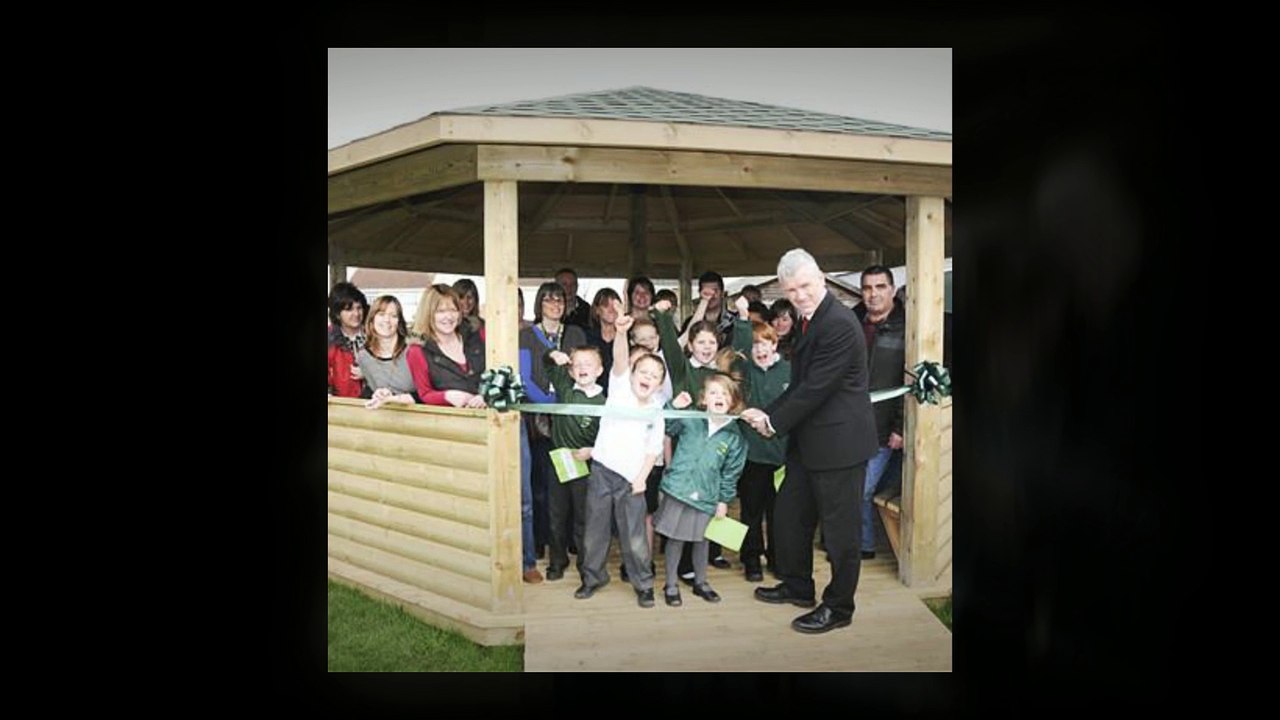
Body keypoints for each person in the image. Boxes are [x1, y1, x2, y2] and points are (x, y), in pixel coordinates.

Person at [741, 248, 878, 634]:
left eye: (804, 285)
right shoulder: (808, 320)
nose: (799, 295)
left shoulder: (837, 323)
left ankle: (838, 607)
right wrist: (767, 412)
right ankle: (799, 585)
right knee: (789, 516)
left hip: (839, 447)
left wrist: (773, 423)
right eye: (791, 289)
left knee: (840, 533)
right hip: (808, 443)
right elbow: (800, 385)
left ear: (821, 277)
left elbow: (816, 388)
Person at [576, 302, 664, 608]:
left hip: (632, 481)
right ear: (633, 373)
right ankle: (592, 577)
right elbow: (620, 359)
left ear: (659, 384)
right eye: (643, 371)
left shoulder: (657, 410)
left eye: (655, 375)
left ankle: (643, 584)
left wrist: (641, 478)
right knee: (594, 532)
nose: (647, 377)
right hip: (602, 472)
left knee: (636, 537)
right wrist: (622, 333)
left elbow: (654, 449)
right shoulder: (619, 389)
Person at [655, 376, 748, 606]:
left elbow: (730, 473)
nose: (719, 398)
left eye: (725, 394)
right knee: (675, 540)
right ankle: (670, 584)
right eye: (714, 393)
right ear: (704, 399)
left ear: (733, 402)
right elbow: (667, 425)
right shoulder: (691, 420)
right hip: (678, 490)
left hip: (707, 496)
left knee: (701, 541)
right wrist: (673, 407)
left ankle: (701, 582)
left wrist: (724, 500)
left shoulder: (735, 437)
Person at [520, 282, 588, 565]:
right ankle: (538, 541)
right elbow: (524, 378)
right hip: (538, 420)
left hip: (570, 420)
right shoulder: (526, 336)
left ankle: (570, 540)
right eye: (548, 299)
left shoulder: (574, 333)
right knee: (539, 485)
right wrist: (548, 404)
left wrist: (565, 402)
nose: (554, 304)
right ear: (539, 304)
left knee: (571, 481)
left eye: (559, 299)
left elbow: (584, 369)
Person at [730, 296, 791, 582]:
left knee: (779, 514)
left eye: (764, 343)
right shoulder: (746, 373)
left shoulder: (790, 371)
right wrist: (743, 316)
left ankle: (777, 558)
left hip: (781, 457)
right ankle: (751, 558)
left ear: (774, 344)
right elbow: (740, 349)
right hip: (753, 457)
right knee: (751, 511)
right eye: (755, 345)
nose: (759, 349)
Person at [853, 265, 907, 560]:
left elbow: (909, 380)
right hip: (848, 422)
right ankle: (854, 541)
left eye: (880, 287)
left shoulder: (909, 327)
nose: (873, 294)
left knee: (863, 488)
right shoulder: (851, 323)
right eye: (867, 288)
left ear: (893, 290)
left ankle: (864, 544)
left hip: (884, 427)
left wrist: (901, 426)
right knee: (849, 485)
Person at [543, 346, 607, 582]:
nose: (582, 368)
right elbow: (548, 363)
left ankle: (584, 563)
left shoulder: (605, 402)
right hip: (559, 464)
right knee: (556, 515)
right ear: (569, 371)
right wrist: (553, 354)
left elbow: (611, 437)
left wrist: (593, 451)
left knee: (583, 517)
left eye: (588, 364)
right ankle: (557, 561)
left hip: (585, 468)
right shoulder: (565, 389)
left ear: (599, 370)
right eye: (576, 364)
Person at [404, 286, 487, 408]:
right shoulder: (417, 351)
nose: (449, 316)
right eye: (441, 311)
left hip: (494, 418)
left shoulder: (478, 333)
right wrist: (449, 396)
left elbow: (501, 370)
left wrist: (487, 395)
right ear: (428, 314)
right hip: (453, 421)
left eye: (453, 310)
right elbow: (425, 393)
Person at [359, 295, 420, 409]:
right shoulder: (364, 356)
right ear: (372, 319)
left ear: (399, 322)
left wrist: (400, 398)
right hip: (386, 419)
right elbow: (372, 390)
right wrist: (378, 394)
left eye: (393, 316)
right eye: (381, 314)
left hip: (418, 416)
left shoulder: (413, 350)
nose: (387, 320)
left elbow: (429, 393)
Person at [327, 282, 368, 398]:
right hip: (341, 406)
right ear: (337, 314)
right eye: (349, 309)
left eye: (359, 308)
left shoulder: (375, 335)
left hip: (376, 403)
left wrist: (369, 374)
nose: (356, 314)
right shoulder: (329, 340)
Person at [678, 271, 737, 346]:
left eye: (715, 291)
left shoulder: (734, 322)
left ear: (722, 293)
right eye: (706, 291)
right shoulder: (690, 323)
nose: (710, 295)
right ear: (699, 293)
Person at [583, 287, 622, 379]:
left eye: (615, 305)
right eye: (605, 305)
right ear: (597, 310)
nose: (611, 309)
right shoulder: (586, 337)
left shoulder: (626, 337)